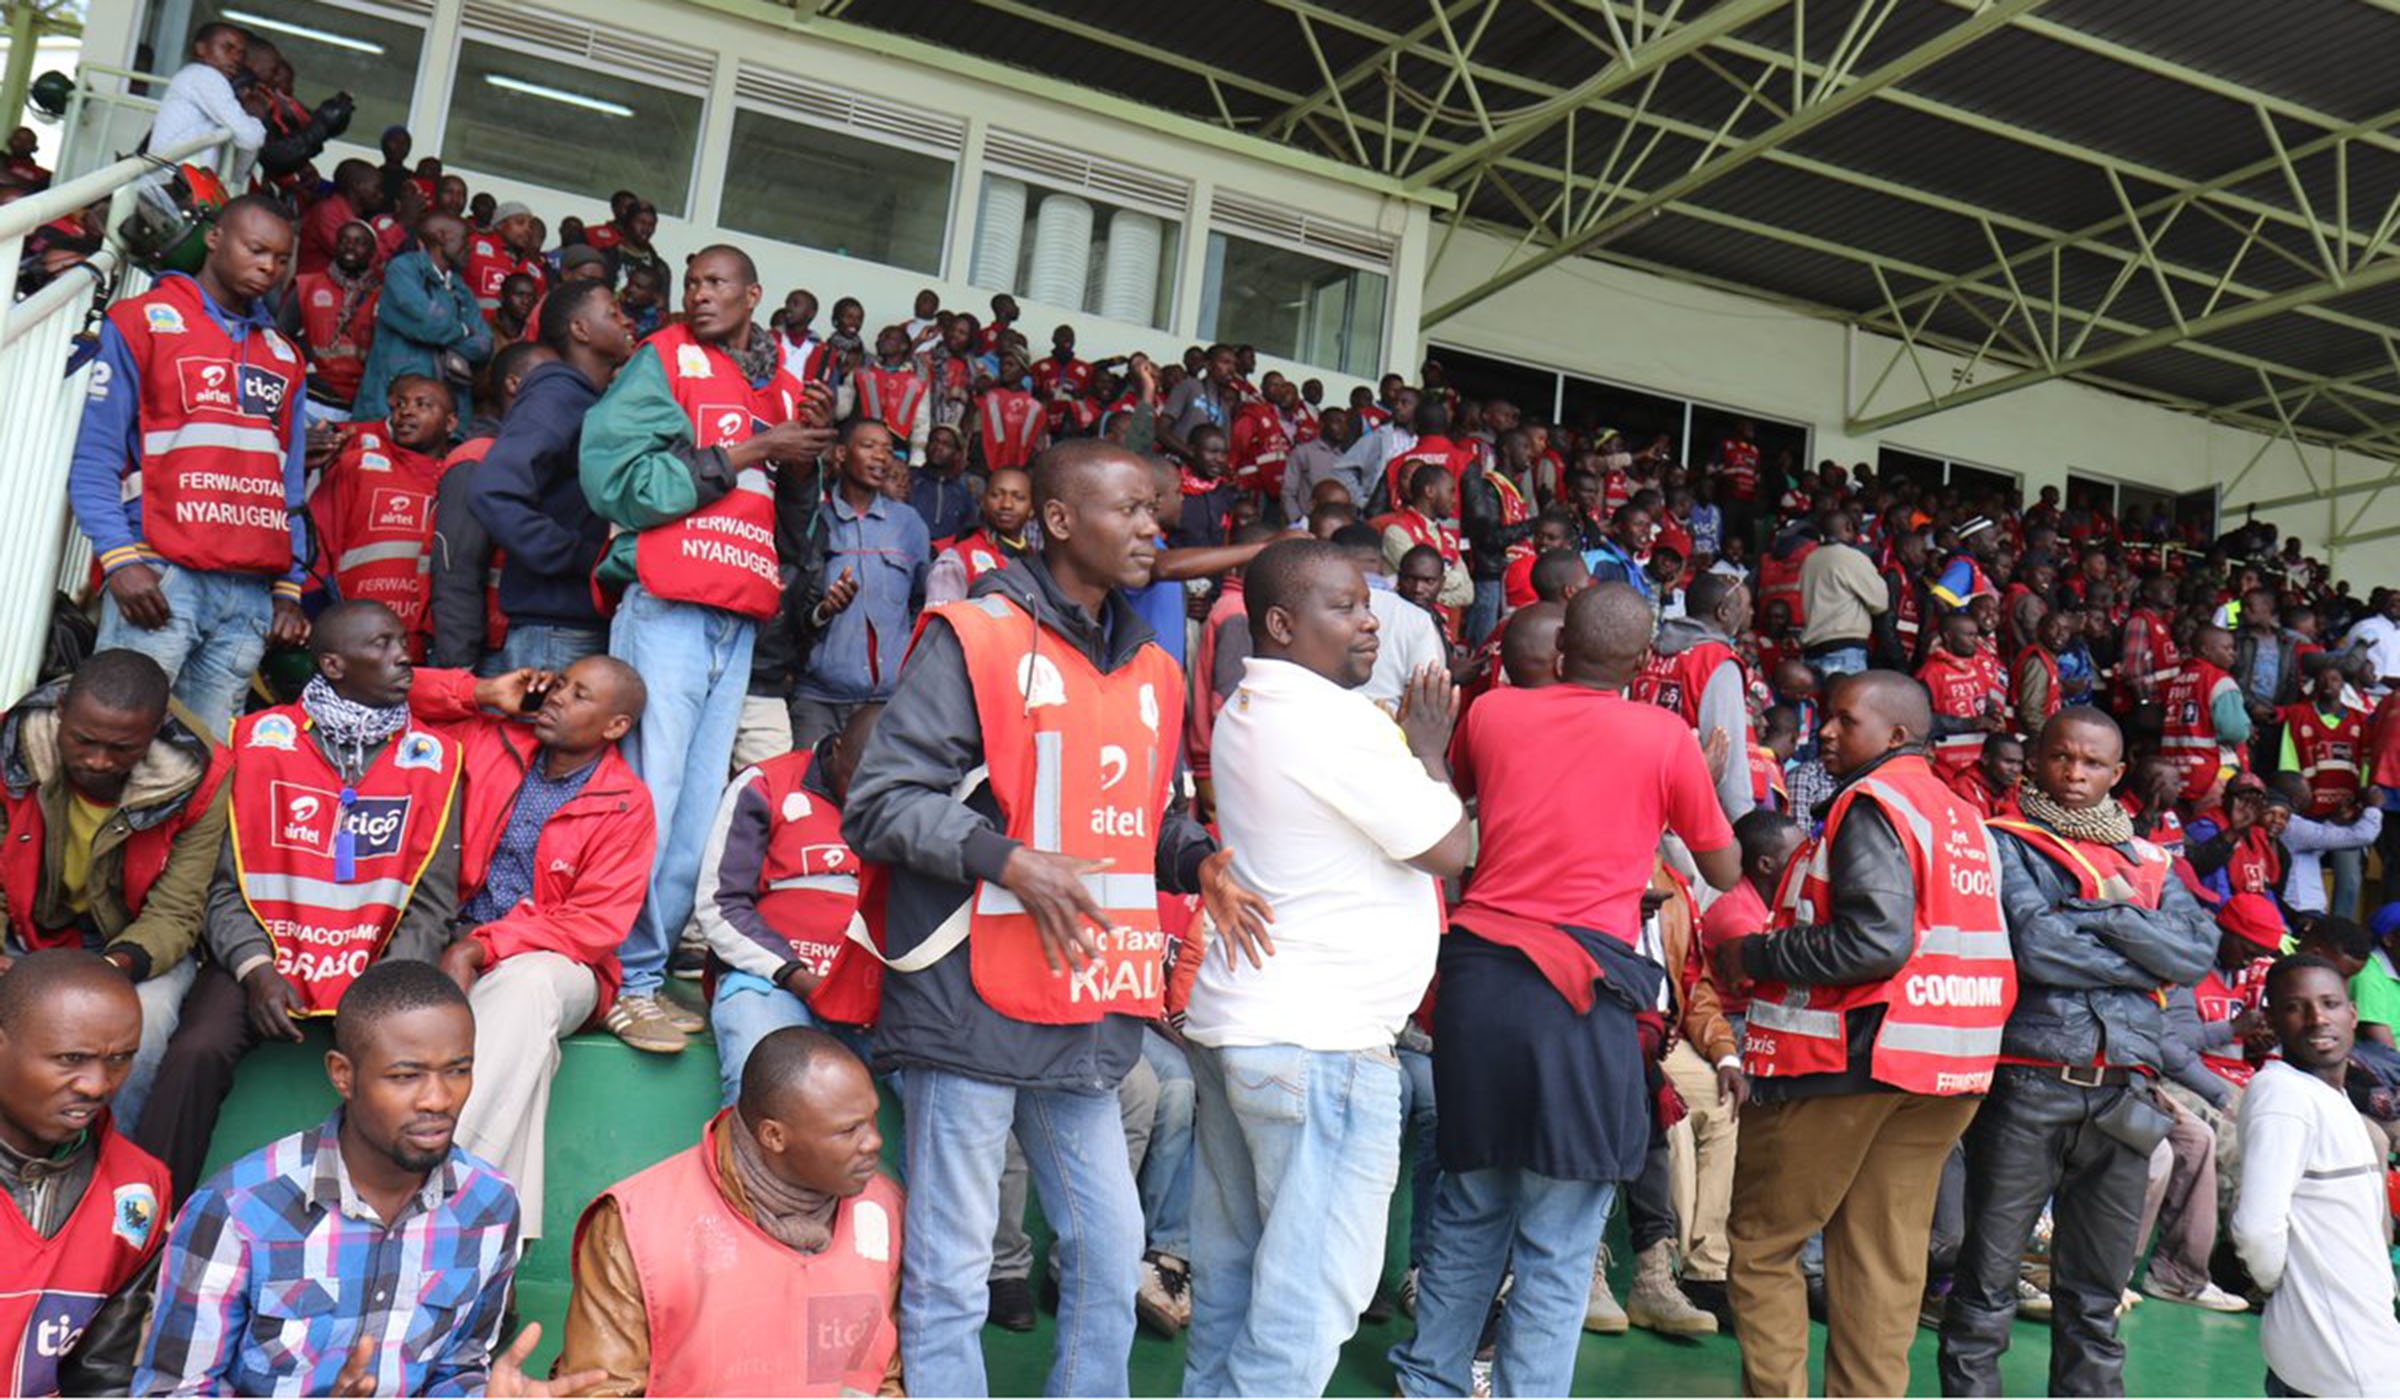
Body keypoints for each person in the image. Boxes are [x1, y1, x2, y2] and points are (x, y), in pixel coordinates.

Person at [833, 438, 1267, 1397]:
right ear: (1060, 520)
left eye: (1157, 512)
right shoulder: (973, 635)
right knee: (951, 1271)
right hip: (970, 1000)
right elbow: (880, 802)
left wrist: (1203, 861)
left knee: (1111, 1257)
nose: (1156, 528)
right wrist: (1008, 859)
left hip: (1086, 1001)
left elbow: (1141, 820)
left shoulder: (1155, 665)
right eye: (1133, 512)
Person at [1390, 583, 1739, 1397]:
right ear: (1647, 662)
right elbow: (1721, 869)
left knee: (1472, 1206)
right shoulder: (1665, 735)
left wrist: (1430, 753)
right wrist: (1690, 781)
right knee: (1557, 1235)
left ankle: (1428, 1382)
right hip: (1579, 1000)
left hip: (1478, 987)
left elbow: (1464, 811)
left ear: (1558, 649)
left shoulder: (1493, 714)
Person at [1186, 539, 1465, 1395]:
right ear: (1280, 622)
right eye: (1343, 606)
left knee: (1233, 1289)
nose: (1369, 619)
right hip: (1322, 1044)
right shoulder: (1335, 721)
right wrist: (1428, 749)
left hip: (1255, 1026)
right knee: (1306, 1309)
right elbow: (1447, 847)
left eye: (1364, 603)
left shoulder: (1249, 705)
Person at [1716, 670, 2014, 1399]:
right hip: (1946, 1069)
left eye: (1845, 720)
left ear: (1897, 736)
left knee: (1763, 1246)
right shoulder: (1961, 815)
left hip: (1847, 1064)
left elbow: (1872, 942)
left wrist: (1754, 954)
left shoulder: (1873, 803)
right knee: (1882, 1261)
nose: (1824, 731)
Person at [578, 245, 832, 1053]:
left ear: (754, 296)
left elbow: (792, 526)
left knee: (691, 813)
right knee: (646, 800)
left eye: (717, 282)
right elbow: (612, 477)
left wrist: (802, 462)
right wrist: (749, 452)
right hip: (669, 609)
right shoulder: (662, 358)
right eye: (693, 282)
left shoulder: (777, 386)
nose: (700, 293)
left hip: (738, 618)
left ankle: (646, 974)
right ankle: (620, 979)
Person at [133, 601, 462, 1202]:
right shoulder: (256, 740)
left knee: (405, 1067)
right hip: (264, 957)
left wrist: (380, 990)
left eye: (402, 642)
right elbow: (220, 884)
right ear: (332, 664)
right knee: (197, 1048)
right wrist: (257, 970)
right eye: (383, 645)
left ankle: (403, 1221)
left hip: (374, 966)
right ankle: (146, 1229)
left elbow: (433, 905)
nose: (403, 656)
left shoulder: (436, 759)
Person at [135, 961, 579, 1398]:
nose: (438, 1099)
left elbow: (457, 1367)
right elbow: (172, 1390)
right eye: (406, 1076)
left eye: (457, 1071)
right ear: (342, 1075)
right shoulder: (238, 1210)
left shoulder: (488, 1205)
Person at [1937, 708, 2214, 1396]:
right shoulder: (2004, 843)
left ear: (2117, 774)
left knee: (2095, 1297)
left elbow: (2194, 952)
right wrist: (2141, 949)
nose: (2074, 774)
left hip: (2124, 1093)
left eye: (2093, 764)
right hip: (2029, 1086)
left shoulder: (2150, 860)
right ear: (2037, 758)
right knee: (1987, 1285)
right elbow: (2036, 946)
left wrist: (2103, 916)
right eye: (2062, 758)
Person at [404, 658, 652, 1235]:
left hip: (561, 964)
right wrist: (483, 690)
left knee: (527, 985)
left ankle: (415, 1169)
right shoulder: (491, 742)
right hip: (457, 942)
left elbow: (593, 924)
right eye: (559, 684)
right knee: (526, 1050)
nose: (559, 697)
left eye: (580, 695)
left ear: (615, 726)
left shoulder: (625, 800)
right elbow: (390, 693)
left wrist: (482, 946)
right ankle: (491, 1244)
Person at [68, 194, 312, 741]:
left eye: (281, 257)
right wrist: (118, 559)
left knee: (204, 763)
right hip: (160, 574)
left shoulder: (284, 355)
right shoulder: (140, 322)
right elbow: (95, 457)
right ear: (214, 239)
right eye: (256, 250)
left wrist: (288, 588)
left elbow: (288, 484)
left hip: (248, 592)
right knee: (118, 745)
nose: (268, 267)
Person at [556, 1027, 901, 1395]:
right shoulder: (637, 1223)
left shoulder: (882, 1208)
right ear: (774, 1136)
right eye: (848, 1130)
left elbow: (884, 1377)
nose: (874, 1142)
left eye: (872, 1119)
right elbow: (598, 1389)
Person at [0, 651, 227, 1128]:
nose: (99, 761)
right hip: (23, 929)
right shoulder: (13, 746)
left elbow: (177, 911)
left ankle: (104, 1161)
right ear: (62, 707)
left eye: (123, 748)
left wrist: (108, 971)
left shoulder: (200, 776)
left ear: (156, 729)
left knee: (140, 1028)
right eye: (83, 740)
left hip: (128, 948)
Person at [0, 950, 171, 1397]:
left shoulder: (139, 1188)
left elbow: (104, 1377)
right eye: (70, 1058)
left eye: (120, 1059)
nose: (98, 1085)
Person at [696, 703, 881, 1104]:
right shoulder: (766, 784)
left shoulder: (912, 802)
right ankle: (745, 1169)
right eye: (858, 780)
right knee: (766, 1081)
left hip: (869, 995)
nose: (868, 797)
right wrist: (796, 975)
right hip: (771, 983)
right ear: (834, 750)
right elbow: (721, 904)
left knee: (940, 1087)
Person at [2233, 954, 2400, 1395]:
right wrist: (2284, 1286)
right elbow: (2255, 1229)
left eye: (2329, 1003)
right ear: (2269, 1018)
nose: (2316, 1019)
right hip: (2337, 1352)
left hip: (2353, 1341)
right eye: (2294, 1007)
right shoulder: (2285, 1096)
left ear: (2353, 1012)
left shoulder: (2332, 1096)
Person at [472, 279, 634, 674]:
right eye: (612, 312)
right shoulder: (556, 395)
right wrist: (579, 556)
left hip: (579, 619)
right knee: (541, 737)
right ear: (580, 330)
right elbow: (493, 490)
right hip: (553, 628)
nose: (626, 320)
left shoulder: (591, 401)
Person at [793, 418, 929, 750]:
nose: (881, 456)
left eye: (887, 449)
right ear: (841, 453)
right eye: (869, 446)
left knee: (880, 798)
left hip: (886, 702)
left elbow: (921, 603)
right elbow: (792, 607)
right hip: (819, 699)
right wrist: (825, 610)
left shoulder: (908, 524)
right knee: (808, 795)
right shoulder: (817, 519)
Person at [310, 374, 457, 652]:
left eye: (422, 404)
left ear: (450, 423)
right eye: (399, 404)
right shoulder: (359, 467)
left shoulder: (461, 480)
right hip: (360, 639)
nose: (406, 411)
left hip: (434, 643)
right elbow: (317, 538)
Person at [1633, 570, 1755, 819]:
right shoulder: (1716, 661)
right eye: (1740, 607)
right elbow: (1726, 756)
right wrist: (1743, 822)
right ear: (1723, 612)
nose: (1744, 614)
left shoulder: (1650, 653)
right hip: (1688, 807)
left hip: (1642, 793)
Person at [356, 212, 489, 423]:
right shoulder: (403, 269)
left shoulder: (461, 288)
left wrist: (443, 335)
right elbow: (428, 324)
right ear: (442, 236)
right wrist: (462, 331)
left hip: (443, 415)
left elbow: (483, 344)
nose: (470, 248)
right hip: (390, 408)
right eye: (464, 239)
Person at [1332, 524, 1449, 713]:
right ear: (1381, 562)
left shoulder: (1311, 609)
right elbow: (1428, 691)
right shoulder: (1417, 618)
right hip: (1388, 727)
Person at [287, 217, 383, 418]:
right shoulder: (307, 285)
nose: (351, 247)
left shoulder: (382, 295)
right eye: (345, 240)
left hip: (359, 403)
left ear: (373, 253)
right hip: (309, 396)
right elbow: (281, 338)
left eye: (360, 243)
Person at [146, 21, 264, 168]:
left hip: (170, 180)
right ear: (201, 48)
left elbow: (240, 171)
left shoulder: (192, 75)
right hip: (171, 183)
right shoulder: (205, 76)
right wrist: (256, 119)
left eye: (241, 53)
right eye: (228, 48)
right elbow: (251, 138)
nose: (236, 58)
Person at [2163, 624, 2249, 802]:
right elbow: (2234, 731)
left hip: (2176, 769)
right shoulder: (2220, 681)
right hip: (2214, 772)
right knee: (2212, 824)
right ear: (2206, 650)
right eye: (2226, 648)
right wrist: (2248, 727)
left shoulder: (2178, 679)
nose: (2232, 653)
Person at [1921, 609, 2008, 782]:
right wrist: (1968, 724)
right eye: (1968, 635)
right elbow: (1922, 719)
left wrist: (1993, 714)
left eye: (1976, 635)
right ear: (1948, 636)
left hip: (1977, 764)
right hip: (1945, 766)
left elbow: (1984, 699)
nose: (1975, 641)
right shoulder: (1931, 673)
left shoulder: (1978, 667)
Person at [1797, 511, 1888, 677]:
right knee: (1846, 703)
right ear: (1847, 527)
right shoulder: (1852, 557)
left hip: (1812, 650)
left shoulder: (1809, 560)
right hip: (1844, 650)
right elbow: (1880, 602)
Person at [925, 466, 1031, 607]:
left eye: (1018, 498)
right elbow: (941, 625)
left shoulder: (1038, 562)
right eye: (996, 495)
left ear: (1032, 508)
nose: (1006, 504)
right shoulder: (959, 558)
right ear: (983, 502)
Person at [910, 423, 980, 549]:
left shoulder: (962, 494)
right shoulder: (910, 479)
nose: (938, 447)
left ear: (957, 454)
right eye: (934, 441)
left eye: (946, 445)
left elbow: (968, 534)